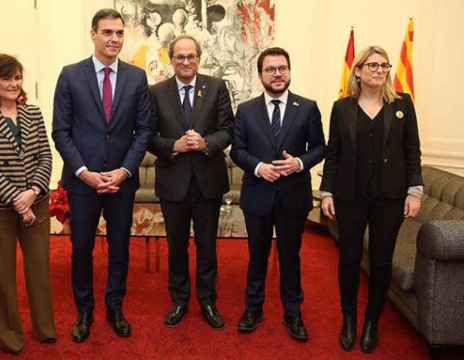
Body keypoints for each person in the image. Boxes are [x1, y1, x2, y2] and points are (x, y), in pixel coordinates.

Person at [52, 8, 152, 343]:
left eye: (119, 33)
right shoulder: (70, 75)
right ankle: (84, 311)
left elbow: (144, 130)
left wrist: (124, 171)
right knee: (81, 249)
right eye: (107, 32)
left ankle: (115, 307)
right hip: (83, 183)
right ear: (93, 33)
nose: (114, 39)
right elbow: (61, 131)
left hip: (121, 182)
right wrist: (84, 173)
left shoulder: (137, 78)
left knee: (120, 248)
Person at [320, 46, 422, 353]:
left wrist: (414, 190)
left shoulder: (403, 104)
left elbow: (412, 151)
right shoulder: (342, 108)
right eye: (372, 65)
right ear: (359, 70)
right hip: (350, 197)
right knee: (349, 261)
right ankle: (349, 319)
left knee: (381, 263)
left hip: (389, 199)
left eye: (384, 65)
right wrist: (326, 191)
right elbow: (333, 153)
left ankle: (371, 323)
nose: (379, 70)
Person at [231, 47, 325, 342]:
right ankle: (253, 309)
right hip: (257, 195)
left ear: (289, 71)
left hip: (293, 196)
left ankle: (292, 313)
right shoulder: (245, 110)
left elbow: (320, 147)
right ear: (260, 75)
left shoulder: (307, 107)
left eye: (282, 68)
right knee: (256, 256)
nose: (277, 73)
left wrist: (299, 163)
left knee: (290, 257)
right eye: (270, 69)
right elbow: (237, 150)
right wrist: (259, 167)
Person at [0, 54, 56, 353]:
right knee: (1, 274)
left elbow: (46, 156)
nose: (13, 84)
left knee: (39, 268)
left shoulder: (33, 113)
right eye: (6, 78)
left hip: (37, 201)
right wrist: (17, 201)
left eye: (17, 77)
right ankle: (9, 335)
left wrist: (33, 191)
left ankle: (45, 328)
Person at [148, 35, 233, 329]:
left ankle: (208, 300)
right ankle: (180, 299)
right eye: (180, 57)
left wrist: (204, 143)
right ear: (171, 60)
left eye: (191, 56)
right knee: (177, 245)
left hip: (208, 181)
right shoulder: (156, 92)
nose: (186, 62)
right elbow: (147, 136)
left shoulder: (217, 87)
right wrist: (176, 146)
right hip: (173, 182)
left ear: (199, 58)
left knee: (207, 246)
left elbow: (228, 130)